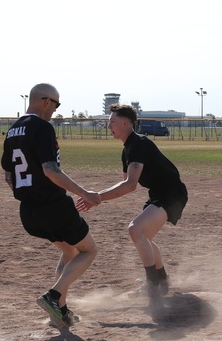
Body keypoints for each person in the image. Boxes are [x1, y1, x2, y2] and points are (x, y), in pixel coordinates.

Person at [1, 83, 102, 331]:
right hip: (53, 205)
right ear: (46, 101)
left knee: (69, 252)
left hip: (28, 211)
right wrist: (85, 193)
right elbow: (50, 169)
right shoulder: (42, 126)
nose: (55, 110)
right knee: (88, 251)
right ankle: (54, 296)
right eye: (56, 105)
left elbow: (8, 175)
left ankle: (60, 312)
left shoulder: (12, 130)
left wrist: (29, 195)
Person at [80, 104, 188, 302]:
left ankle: (153, 285)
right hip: (159, 194)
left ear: (124, 122)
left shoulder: (138, 143)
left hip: (172, 194)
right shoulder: (127, 150)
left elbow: (130, 185)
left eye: (112, 121)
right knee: (143, 236)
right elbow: (126, 184)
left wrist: (97, 197)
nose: (108, 125)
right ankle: (162, 280)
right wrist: (96, 198)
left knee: (135, 230)